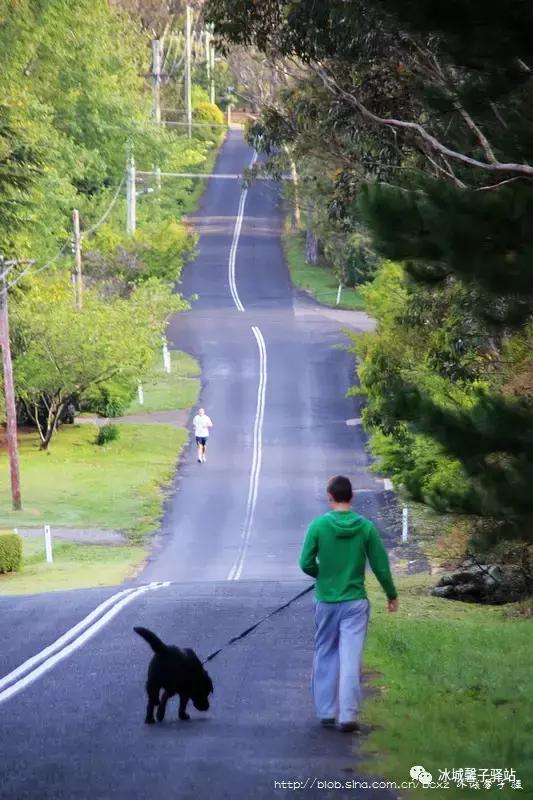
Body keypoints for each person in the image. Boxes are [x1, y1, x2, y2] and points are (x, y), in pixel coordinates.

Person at [299, 475, 398, 733]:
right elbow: (380, 565)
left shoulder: (318, 526)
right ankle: (348, 714)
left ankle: (326, 711)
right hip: (355, 601)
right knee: (350, 657)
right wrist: (391, 594)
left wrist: (321, 574)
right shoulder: (365, 527)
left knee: (325, 653)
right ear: (351, 497)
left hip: (326, 601)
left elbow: (305, 562)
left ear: (330, 496)